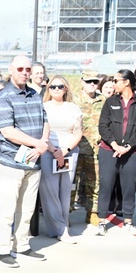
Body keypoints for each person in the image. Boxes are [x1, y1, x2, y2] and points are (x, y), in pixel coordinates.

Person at [0, 54, 51, 267]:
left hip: (34, 162)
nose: (24, 73)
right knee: (7, 209)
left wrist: (42, 143)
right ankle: (3, 248)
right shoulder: (3, 97)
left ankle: (22, 244)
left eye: (27, 69)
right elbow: (8, 131)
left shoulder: (35, 95)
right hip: (10, 162)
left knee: (27, 208)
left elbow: (45, 121)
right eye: (20, 69)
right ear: (11, 70)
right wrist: (38, 144)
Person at [96, 69, 136, 235]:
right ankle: (101, 222)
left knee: (129, 185)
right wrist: (114, 145)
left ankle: (128, 220)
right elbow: (103, 126)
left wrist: (128, 146)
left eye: (116, 80)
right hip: (109, 150)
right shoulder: (110, 102)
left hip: (132, 152)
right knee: (106, 184)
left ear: (126, 82)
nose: (113, 84)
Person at [39, 76, 82, 242]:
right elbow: (40, 131)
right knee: (50, 192)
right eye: (53, 86)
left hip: (69, 152)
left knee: (65, 191)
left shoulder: (73, 108)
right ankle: (59, 229)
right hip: (48, 152)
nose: (56, 89)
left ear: (66, 89)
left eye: (60, 86)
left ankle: (64, 226)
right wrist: (54, 150)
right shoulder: (43, 107)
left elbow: (78, 132)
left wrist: (65, 151)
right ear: (48, 89)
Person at [76, 70, 105, 225]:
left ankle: (92, 212)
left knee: (94, 182)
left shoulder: (103, 100)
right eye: (89, 82)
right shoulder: (73, 100)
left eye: (95, 81)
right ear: (82, 82)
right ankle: (66, 211)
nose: (92, 84)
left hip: (96, 150)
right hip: (76, 148)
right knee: (71, 182)